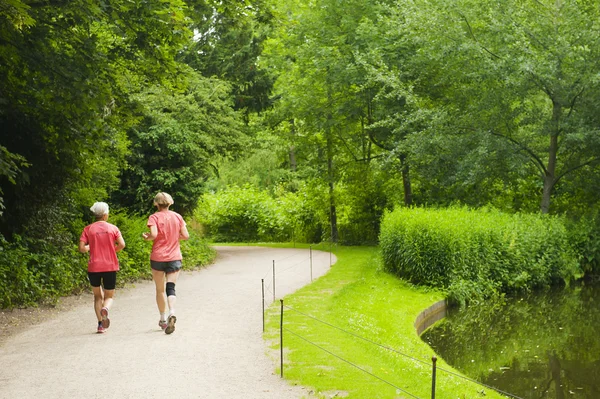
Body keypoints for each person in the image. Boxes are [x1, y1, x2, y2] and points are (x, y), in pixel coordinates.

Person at [142, 192, 189, 334]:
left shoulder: (154, 217)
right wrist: (175, 238)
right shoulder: (177, 216)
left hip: (158, 257)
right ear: (170, 203)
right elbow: (186, 236)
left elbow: (154, 235)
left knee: (159, 289)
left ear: (156, 204)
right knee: (171, 287)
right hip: (174, 256)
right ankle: (172, 312)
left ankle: (162, 319)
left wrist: (147, 237)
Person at [79, 202, 126, 334]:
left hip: (94, 267)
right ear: (105, 215)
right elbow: (122, 244)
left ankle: (100, 324)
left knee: (97, 296)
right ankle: (106, 309)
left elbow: (82, 248)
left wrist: (90, 248)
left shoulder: (88, 229)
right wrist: (113, 250)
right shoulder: (113, 228)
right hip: (110, 266)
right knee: (109, 296)